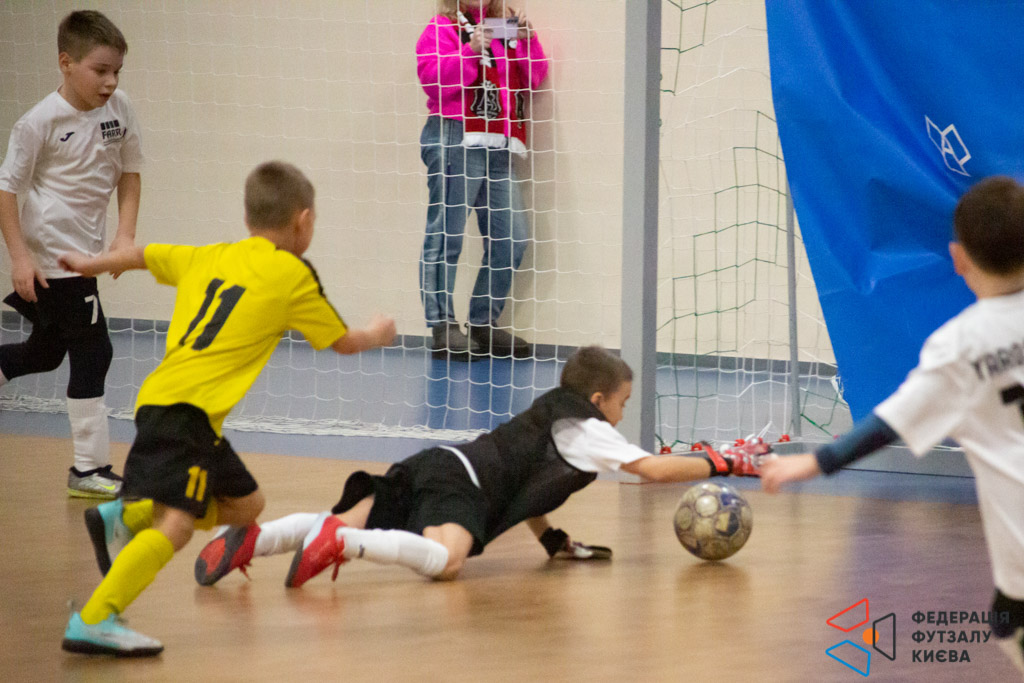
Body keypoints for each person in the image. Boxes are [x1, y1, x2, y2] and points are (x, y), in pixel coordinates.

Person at [58, 161, 397, 657]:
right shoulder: (292, 274)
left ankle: (124, 516)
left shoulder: (210, 255)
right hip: (188, 412)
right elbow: (342, 342)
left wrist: (90, 265)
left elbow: (143, 255)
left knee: (247, 506)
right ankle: (96, 618)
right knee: (176, 525)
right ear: (303, 220)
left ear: (247, 217)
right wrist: (377, 334)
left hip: (168, 403)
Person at [191, 345, 768, 588]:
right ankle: (344, 545)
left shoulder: (555, 416)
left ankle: (255, 540)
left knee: (346, 516)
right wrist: (723, 461)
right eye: (623, 402)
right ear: (599, 400)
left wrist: (552, 539)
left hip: (439, 462)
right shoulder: (591, 429)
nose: (622, 413)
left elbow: (526, 486)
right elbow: (654, 471)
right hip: (463, 479)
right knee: (446, 561)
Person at [760, 175, 1024, 677]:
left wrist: (817, 462)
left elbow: (890, 422)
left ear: (959, 259)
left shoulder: (962, 346)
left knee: (1010, 622)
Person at [0, 10, 142, 499]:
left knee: (44, 352)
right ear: (66, 62)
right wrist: (21, 258)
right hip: (55, 259)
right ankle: (88, 469)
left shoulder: (120, 109)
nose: (110, 81)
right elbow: (6, 190)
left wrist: (124, 237)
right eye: (100, 70)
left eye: (116, 71)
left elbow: (130, 174)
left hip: (88, 256)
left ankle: (87, 469)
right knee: (94, 351)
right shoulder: (38, 122)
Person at [416, 0, 548, 360]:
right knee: (447, 235)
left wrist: (528, 39)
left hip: (498, 142)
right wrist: (470, 50)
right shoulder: (442, 28)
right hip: (454, 135)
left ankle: (482, 323)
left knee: (512, 238)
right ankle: (443, 326)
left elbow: (533, 79)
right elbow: (434, 83)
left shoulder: (504, 28)